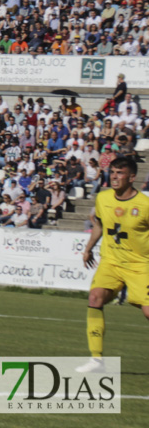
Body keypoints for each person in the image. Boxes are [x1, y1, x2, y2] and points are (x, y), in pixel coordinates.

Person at [77, 157, 149, 373]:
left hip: (140, 265)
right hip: (111, 261)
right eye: (113, 172)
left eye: (120, 173)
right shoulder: (103, 197)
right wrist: (89, 248)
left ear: (132, 177)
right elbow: (99, 225)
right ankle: (96, 360)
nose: (115, 176)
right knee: (95, 296)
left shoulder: (144, 205)